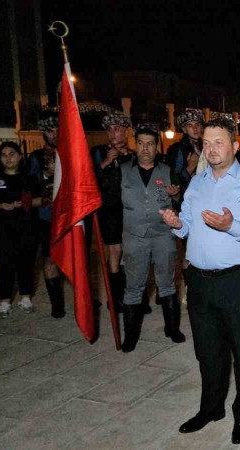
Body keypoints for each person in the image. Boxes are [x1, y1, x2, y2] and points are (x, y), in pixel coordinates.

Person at [160, 118, 240, 445]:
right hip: (199, 280)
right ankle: (211, 408)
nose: (211, 149)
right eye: (206, 143)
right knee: (207, 351)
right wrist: (176, 223)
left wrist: (230, 226)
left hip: (236, 280)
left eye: (218, 142)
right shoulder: (197, 183)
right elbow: (187, 227)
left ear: (235, 147)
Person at [119, 122, 184, 353]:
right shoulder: (122, 170)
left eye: (150, 144)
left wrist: (175, 197)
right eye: (141, 143)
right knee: (133, 286)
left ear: (157, 147)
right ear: (135, 145)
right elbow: (110, 202)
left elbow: (182, 203)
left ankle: (172, 328)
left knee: (167, 283)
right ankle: (130, 336)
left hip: (162, 235)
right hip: (134, 236)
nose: (145, 148)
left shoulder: (168, 171)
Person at [91, 113, 139, 313]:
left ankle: (135, 296)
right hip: (109, 210)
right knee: (115, 251)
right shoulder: (98, 152)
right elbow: (88, 179)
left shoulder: (134, 155)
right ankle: (115, 298)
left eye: (117, 129)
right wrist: (105, 163)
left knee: (132, 252)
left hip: (131, 211)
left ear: (126, 132)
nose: (112, 133)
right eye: (109, 130)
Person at [0, 142, 42, 318]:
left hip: (26, 228)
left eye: (12, 154)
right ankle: (5, 301)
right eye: (4, 155)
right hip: (1, 230)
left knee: (26, 264)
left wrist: (23, 204)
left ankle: (26, 297)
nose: (8, 158)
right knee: (3, 265)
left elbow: (41, 200)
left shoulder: (29, 178)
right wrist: (0, 205)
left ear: (20, 156)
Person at [29, 115, 65, 318]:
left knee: (77, 257)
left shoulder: (72, 153)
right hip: (46, 217)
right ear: (44, 133)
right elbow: (30, 186)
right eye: (50, 131)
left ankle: (83, 297)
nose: (55, 134)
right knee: (50, 259)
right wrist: (47, 175)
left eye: (58, 130)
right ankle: (56, 303)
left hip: (71, 217)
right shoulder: (36, 157)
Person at [164, 109, 204, 209]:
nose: (195, 129)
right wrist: (189, 168)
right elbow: (173, 180)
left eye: (197, 125)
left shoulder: (208, 146)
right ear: (184, 129)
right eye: (190, 126)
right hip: (187, 200)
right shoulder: (178, 149)